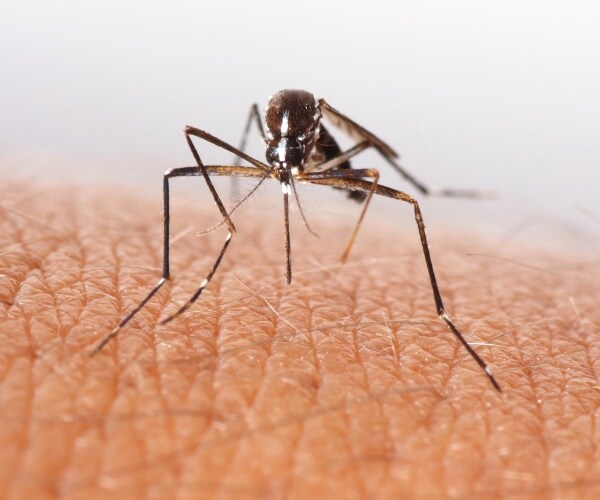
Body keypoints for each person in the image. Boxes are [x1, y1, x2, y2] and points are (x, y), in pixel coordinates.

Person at [1, 179, 597, 498]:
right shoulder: (263, 150)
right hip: (276, 143)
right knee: (184, 161)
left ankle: (443, 315)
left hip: (314, 142)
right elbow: (191, 151)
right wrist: (226, 225)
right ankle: (170, 279)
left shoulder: (317, 149)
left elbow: (363, 171)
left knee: (409, 200)